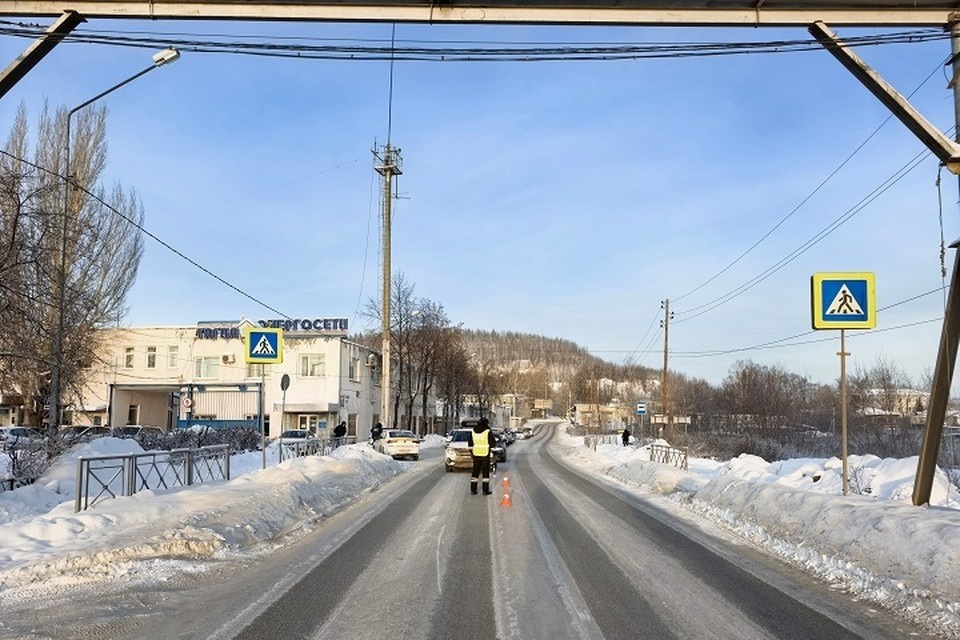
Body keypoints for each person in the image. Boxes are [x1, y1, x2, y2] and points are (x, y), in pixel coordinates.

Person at [469, 418, 496, 495]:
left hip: (476, 454)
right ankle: (485, 490)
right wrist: (493, 451)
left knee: (475, 472)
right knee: (485, 473)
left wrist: (472, 452)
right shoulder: (487, 431)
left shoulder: (473, 431)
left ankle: (473, 490)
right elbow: (492, 443)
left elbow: (470, 443)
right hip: (485, 454)